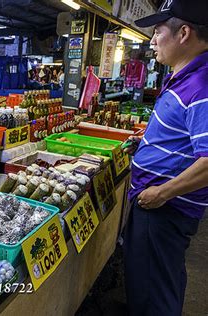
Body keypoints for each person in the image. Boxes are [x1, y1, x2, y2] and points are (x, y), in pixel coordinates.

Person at [123, 0, 208, 315]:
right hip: (159, 206)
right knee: (159, 281)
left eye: (158, 31)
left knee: (152, 295)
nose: (152, 40)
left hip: (165, 209)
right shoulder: (186, 77)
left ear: (183, 32)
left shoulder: (201, 84)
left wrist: (163, 192)